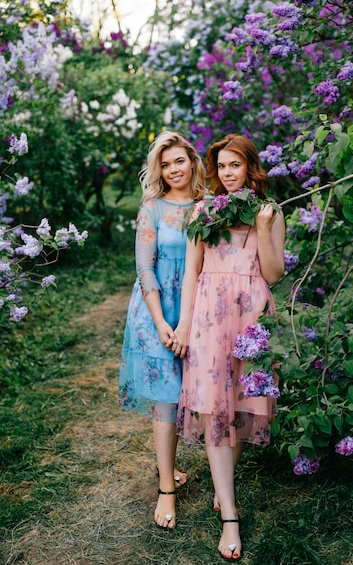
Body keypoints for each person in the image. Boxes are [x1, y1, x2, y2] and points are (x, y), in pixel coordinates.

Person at [172, 134, 285, 561]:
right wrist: (184, 325)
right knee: (214, 408)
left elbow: (273, 274)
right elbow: (191, 273)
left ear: (250, 167)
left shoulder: (269, 213)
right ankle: (230, 515)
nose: (227, 173)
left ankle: (224, 484)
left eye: (235, 165)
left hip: (252, 319)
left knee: (241, 404)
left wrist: (261, 227)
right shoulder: (204, 211)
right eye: (221, 166)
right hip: (208, 318)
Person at [118, 131, 206, 530]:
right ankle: (166, 488)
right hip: (156, 310)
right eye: (165, 164)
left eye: (179, 162)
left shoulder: (209, 207)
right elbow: (144, 268)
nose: (173, 170)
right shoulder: (151, 209)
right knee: (165, 401)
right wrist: (162, 325)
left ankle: (178, 472)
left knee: (192, 390)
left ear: (192, 162)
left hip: (198, 308)